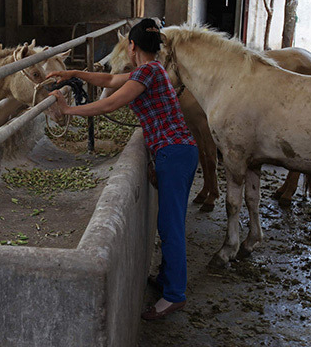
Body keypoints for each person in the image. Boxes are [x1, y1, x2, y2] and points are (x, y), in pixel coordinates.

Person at [47, 18, 198, 320]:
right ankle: (169, 280)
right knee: (169, 221)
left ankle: (174, 295)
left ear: (131, 46)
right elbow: (110, 82)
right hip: (177, 152)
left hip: (174, 154)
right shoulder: (151, 71)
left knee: (170, 225)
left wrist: (67, 110)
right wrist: (74, 73)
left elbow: (108, 104)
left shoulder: (148, 73)